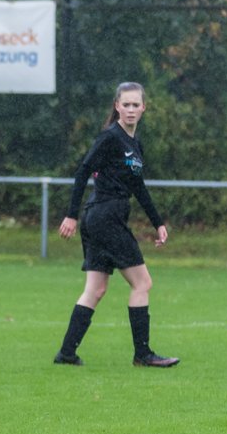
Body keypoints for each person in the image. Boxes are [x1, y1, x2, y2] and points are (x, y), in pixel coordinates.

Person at [53, 81, 179, 368]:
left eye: (137, 104)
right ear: (117, 106)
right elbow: (83, 170)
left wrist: (158, 223)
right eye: (127, 104)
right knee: (142, 282)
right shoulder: (110, 137)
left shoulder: (134, 145)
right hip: (104, 218)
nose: (132, 109)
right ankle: (143, 355)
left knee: (95, 289)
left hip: (102, 218)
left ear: (144, 108)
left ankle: (66, 354)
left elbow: (139, 187)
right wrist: (71, 215)